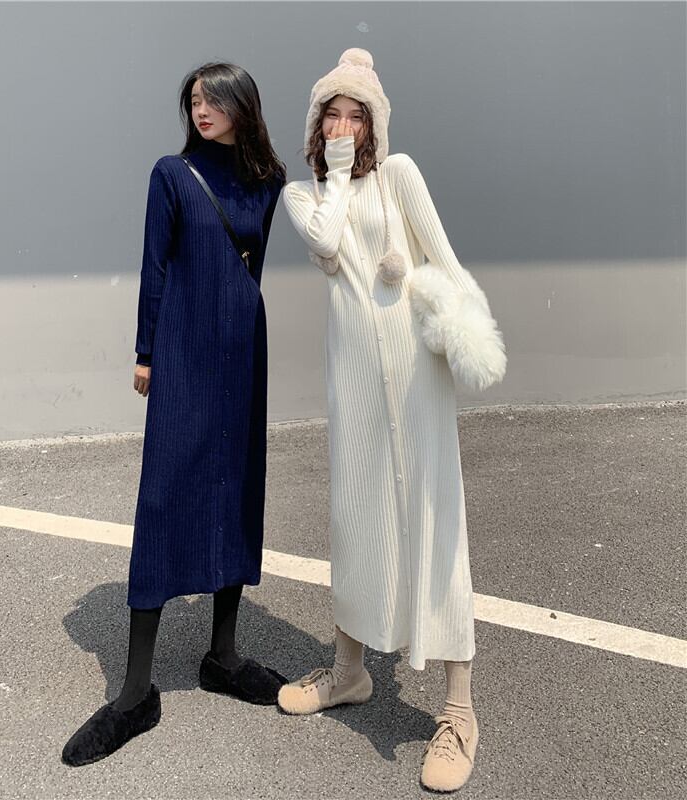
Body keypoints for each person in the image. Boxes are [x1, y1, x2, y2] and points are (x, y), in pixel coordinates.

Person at [62, 61, 287, 767]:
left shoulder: (268, 181)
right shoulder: (172, 174)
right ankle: (135, 693)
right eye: (193, 100)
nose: (201, 109)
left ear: (242, 106)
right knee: (164, 497)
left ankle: (223, 656)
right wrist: (145, 352)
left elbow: (252, 265)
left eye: (214, 99)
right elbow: (155, 265)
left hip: (243, 351)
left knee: (237, 488)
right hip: (184, 351)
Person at [278, 48, 481, 793]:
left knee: (435, 518)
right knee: (355, 516)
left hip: (417, 377)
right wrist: (333, 175)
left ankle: (459, 710)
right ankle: (350, 672)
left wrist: (463, 329)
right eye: (330, 113)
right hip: (355, 380)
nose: (342, 125)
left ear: (375, 124)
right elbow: (327, 242)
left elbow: (446, 264)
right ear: (316, 124)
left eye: (355, 115)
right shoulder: (303, 195)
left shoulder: (400, 175)